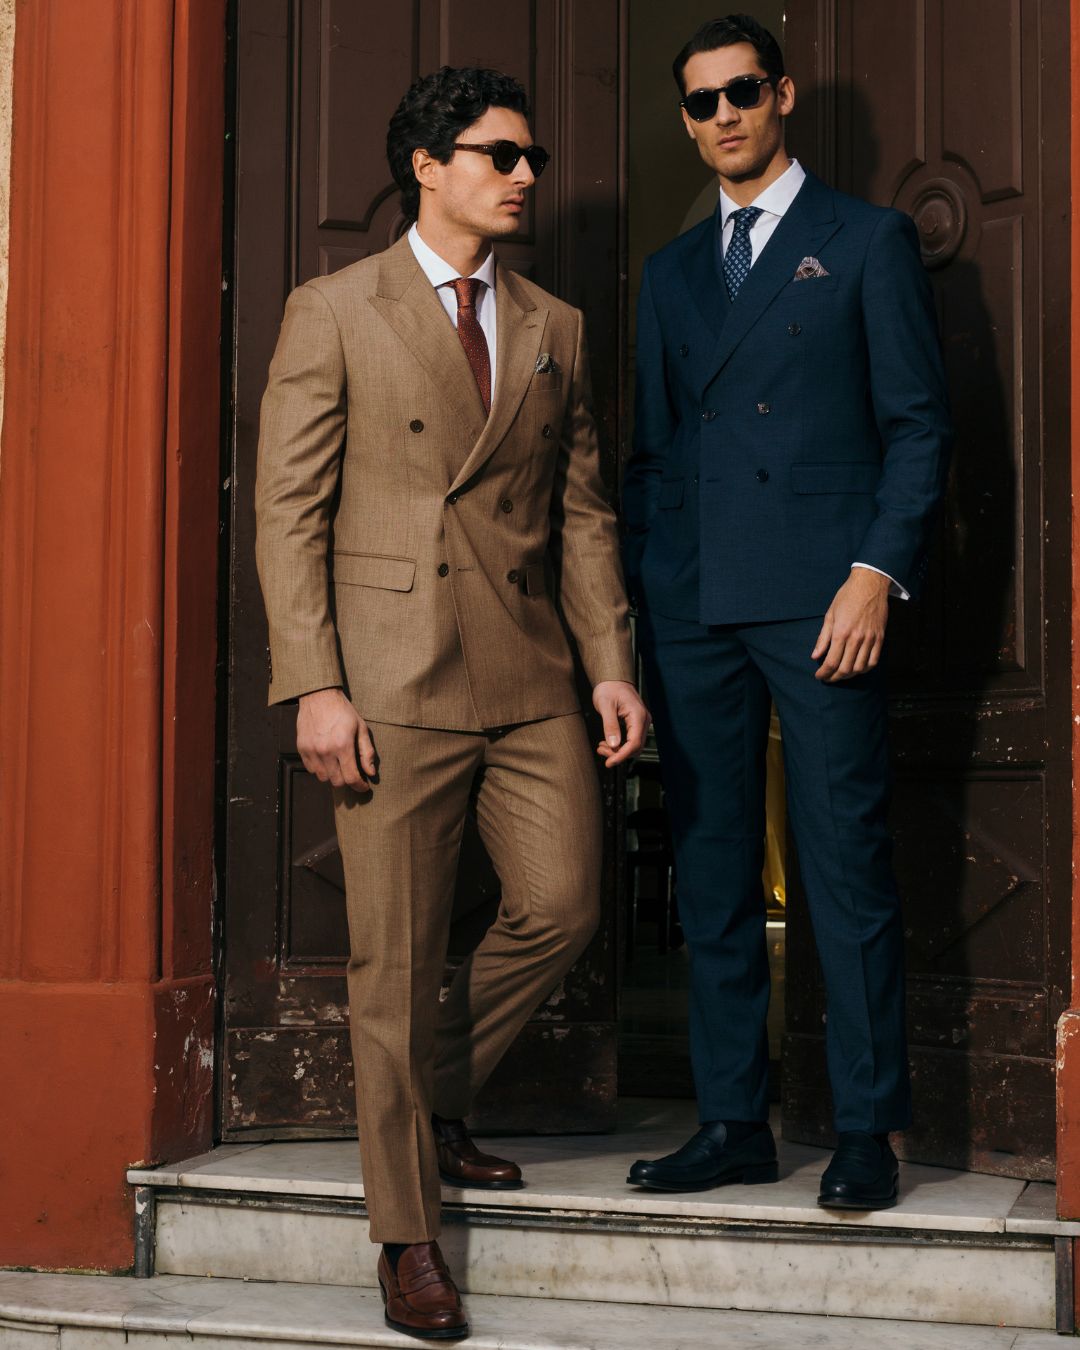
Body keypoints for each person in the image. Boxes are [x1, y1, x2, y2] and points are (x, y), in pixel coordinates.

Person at [255, 65, 647, 1341]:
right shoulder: (335, 308)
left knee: (563, 905)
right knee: (397, 962)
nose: (525, 176)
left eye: (530, 158)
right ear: (426, 166)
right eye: (498, 154)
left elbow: (581, 514)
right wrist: (316, 682)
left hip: (530, 668)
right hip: (390, 673)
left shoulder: (553, 323)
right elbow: (290, 511)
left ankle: (426, 1101)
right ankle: (407, 1235)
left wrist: (610, 661)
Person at [622, 14, 951, 1211]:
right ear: (687, 120)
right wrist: (649, 589)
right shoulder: (670, 274)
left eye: (743, 92)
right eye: (702, 101)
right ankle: (731, 1121)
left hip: (823, 601)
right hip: (694, 602)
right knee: (711, 867)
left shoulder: (866, 239)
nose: (724, 115)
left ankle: (867, 1127)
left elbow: (918, 425)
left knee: (843, 862)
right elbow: (652, 451)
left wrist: (874, 573)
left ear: (784, 96)